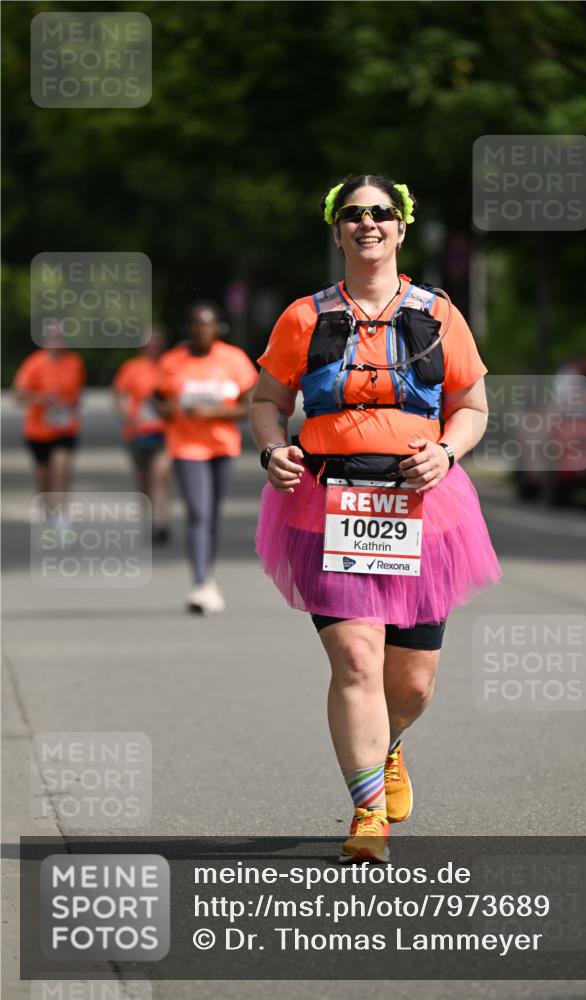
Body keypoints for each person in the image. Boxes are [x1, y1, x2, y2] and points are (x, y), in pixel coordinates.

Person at [251, 174, 501, 863]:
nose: (368, 223)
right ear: (337, 230)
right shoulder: (303, 317)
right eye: (354, 214)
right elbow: (266, 401)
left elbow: (472, 407)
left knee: (411, 682)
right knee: (357, 658)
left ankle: (389, 745)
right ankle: (367, 815)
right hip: (325, 505)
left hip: (423, 510)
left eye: (381, 213)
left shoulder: (438, 313)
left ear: (401, 227)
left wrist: (446, 453)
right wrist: (273, 449)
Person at [154, 301, 258, 613]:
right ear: (188, 328)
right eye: (196, 324)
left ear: (218, 328)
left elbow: (249, 406)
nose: (202, 329)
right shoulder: (172, 361)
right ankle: (200, 583)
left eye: (207, 324)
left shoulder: (234, 359)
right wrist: (168, 410)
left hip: (223, 446)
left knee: (211, 514)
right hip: (187, 447)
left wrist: (213, 412)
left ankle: (208, 576)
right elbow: (158, 400)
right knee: (198, 512)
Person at [12, 322, 86, 525]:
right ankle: (48, 515)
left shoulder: (75, 362)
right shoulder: (34, 363)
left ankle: (61, 515)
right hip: (38, 431)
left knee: (61, 470)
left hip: (65, 428)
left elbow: (78, 392)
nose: (58, 342)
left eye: (61, 338)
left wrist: (72, 405)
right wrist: (43, 399)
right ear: (45, 340)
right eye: (54, 338)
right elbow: (18, 395)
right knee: (44, 478)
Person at [112, 327, 172, 543]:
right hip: (137, 434)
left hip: (164, 434)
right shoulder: (131, 368)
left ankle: (160, 523)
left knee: (160, 479)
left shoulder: (170, 366)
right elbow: (119, 395)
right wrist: (128, 417)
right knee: (144, 483)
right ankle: (149, 518)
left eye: (157, 342)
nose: (153, 346)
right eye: (150, 342)